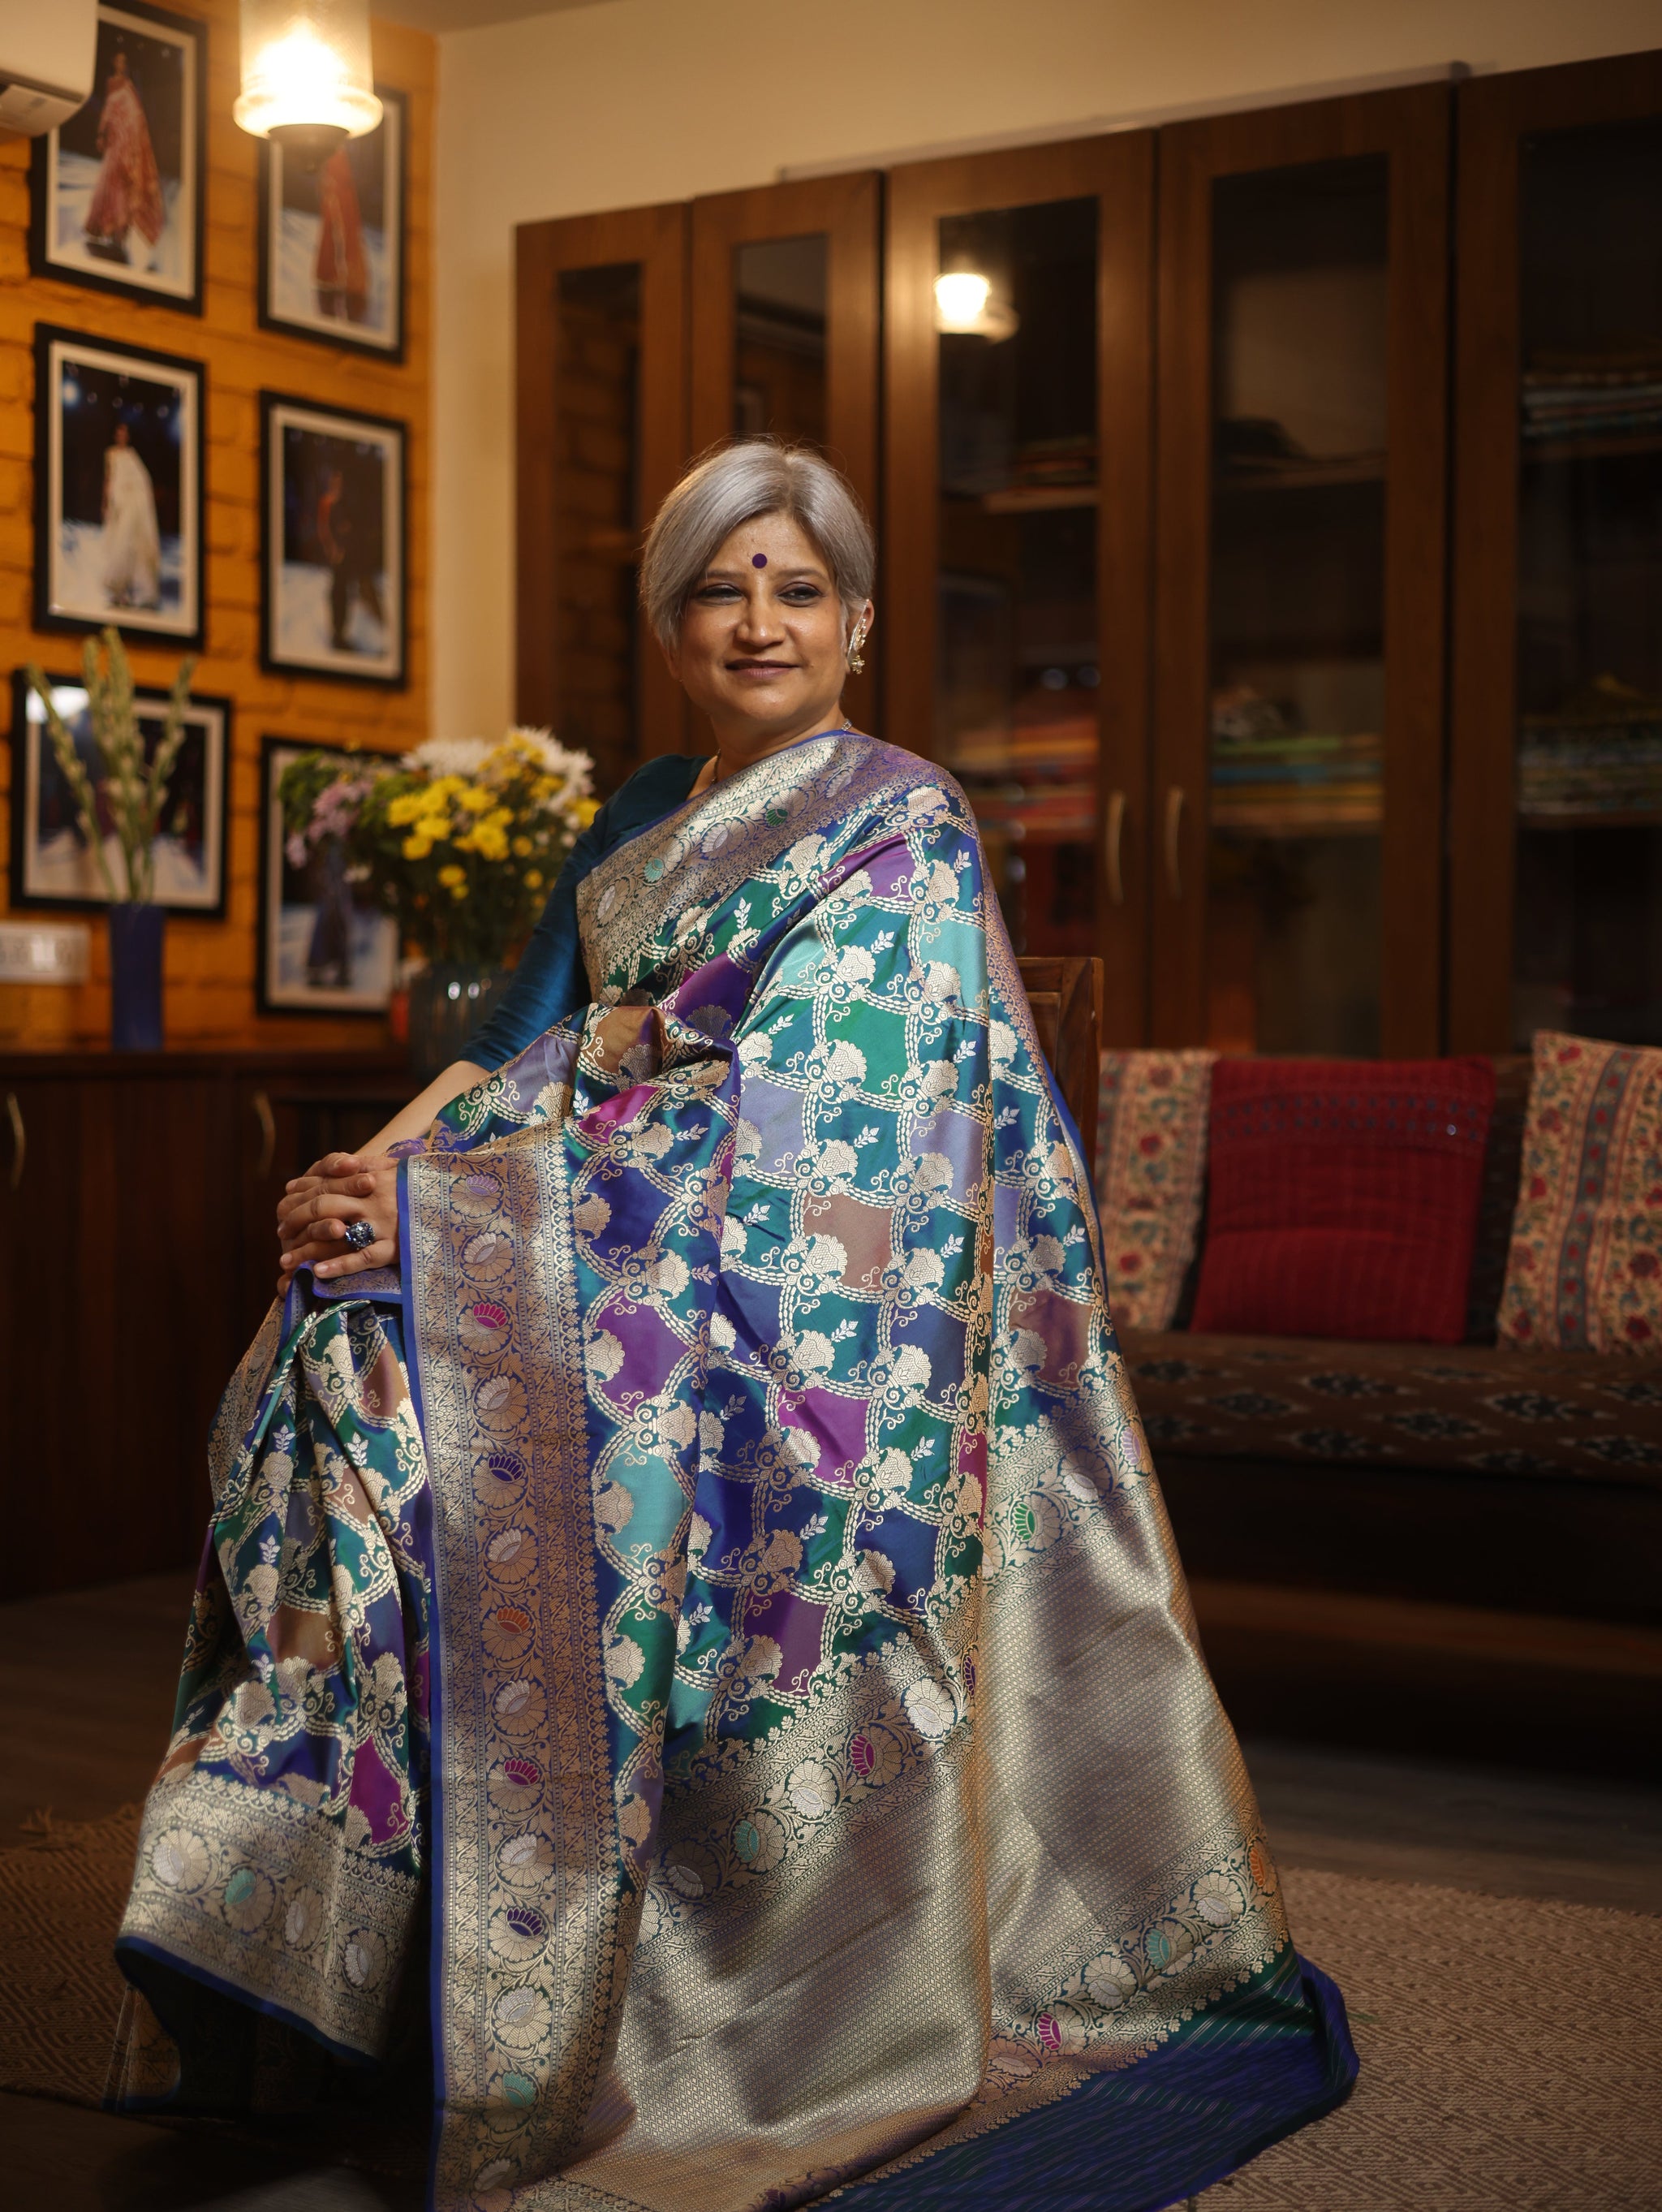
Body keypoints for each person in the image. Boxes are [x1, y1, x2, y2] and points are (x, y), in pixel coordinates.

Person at [109, 441, 1355, 2206]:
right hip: (596, 1232)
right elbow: (541, 1044)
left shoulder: (901, 825)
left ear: (858, 625)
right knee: (333, 1343)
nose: (759, 620)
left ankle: (628, 1962)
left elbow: (819, 1141)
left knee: (426, 1351)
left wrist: (446, 1219)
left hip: (805, 1315)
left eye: (797, 588)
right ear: (668, 625)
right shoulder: (647, 812)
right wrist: (371, 1179)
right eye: (719, 588)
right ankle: (327, 1917)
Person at [83, 49, 165, 267]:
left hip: (126, 143)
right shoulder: (113, 84)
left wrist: (131, 142)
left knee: (125, 186)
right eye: (118, 61)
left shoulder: (128, 87)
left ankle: (119, 236)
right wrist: (102, 133)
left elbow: (135, 116)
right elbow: (109, 110)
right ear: (114, 62)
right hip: (115, 142)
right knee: (111, 185)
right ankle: (107, 230)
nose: (121, 64)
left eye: (123, 61)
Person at [101, 419, 161, 611]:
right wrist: (106, 502)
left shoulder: (132, 455)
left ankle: (136, 590)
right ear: (115, 435)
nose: (122, 436)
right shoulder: (111, 453)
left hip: (133, 506)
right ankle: (119, 590)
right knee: (118, 542)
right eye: (119, 433)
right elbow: (109, 478)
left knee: (132, 544)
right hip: (119, 502)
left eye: (125, 433)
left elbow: (141, 479)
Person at [316, 143, 370, 324]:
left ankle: (345, 278)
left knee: (347, 233)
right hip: (337, 190)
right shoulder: (336, 161)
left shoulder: (341, 163)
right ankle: (329, 274)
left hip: (341, 191)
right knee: (336, 232)